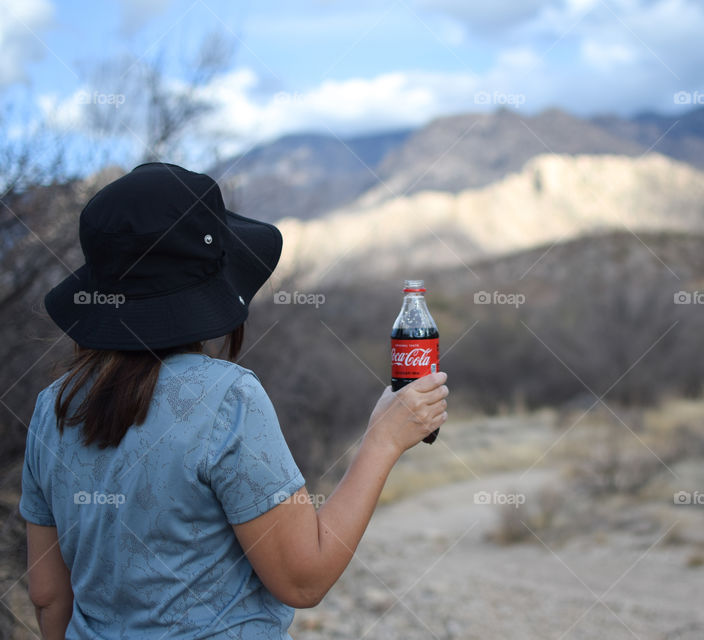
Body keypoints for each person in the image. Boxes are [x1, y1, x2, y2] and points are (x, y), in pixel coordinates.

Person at [19, 163, 449, 639]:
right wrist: (383, 440)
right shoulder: (227, 398)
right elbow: (303, 579)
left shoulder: (52, 408)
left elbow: (47, 594)